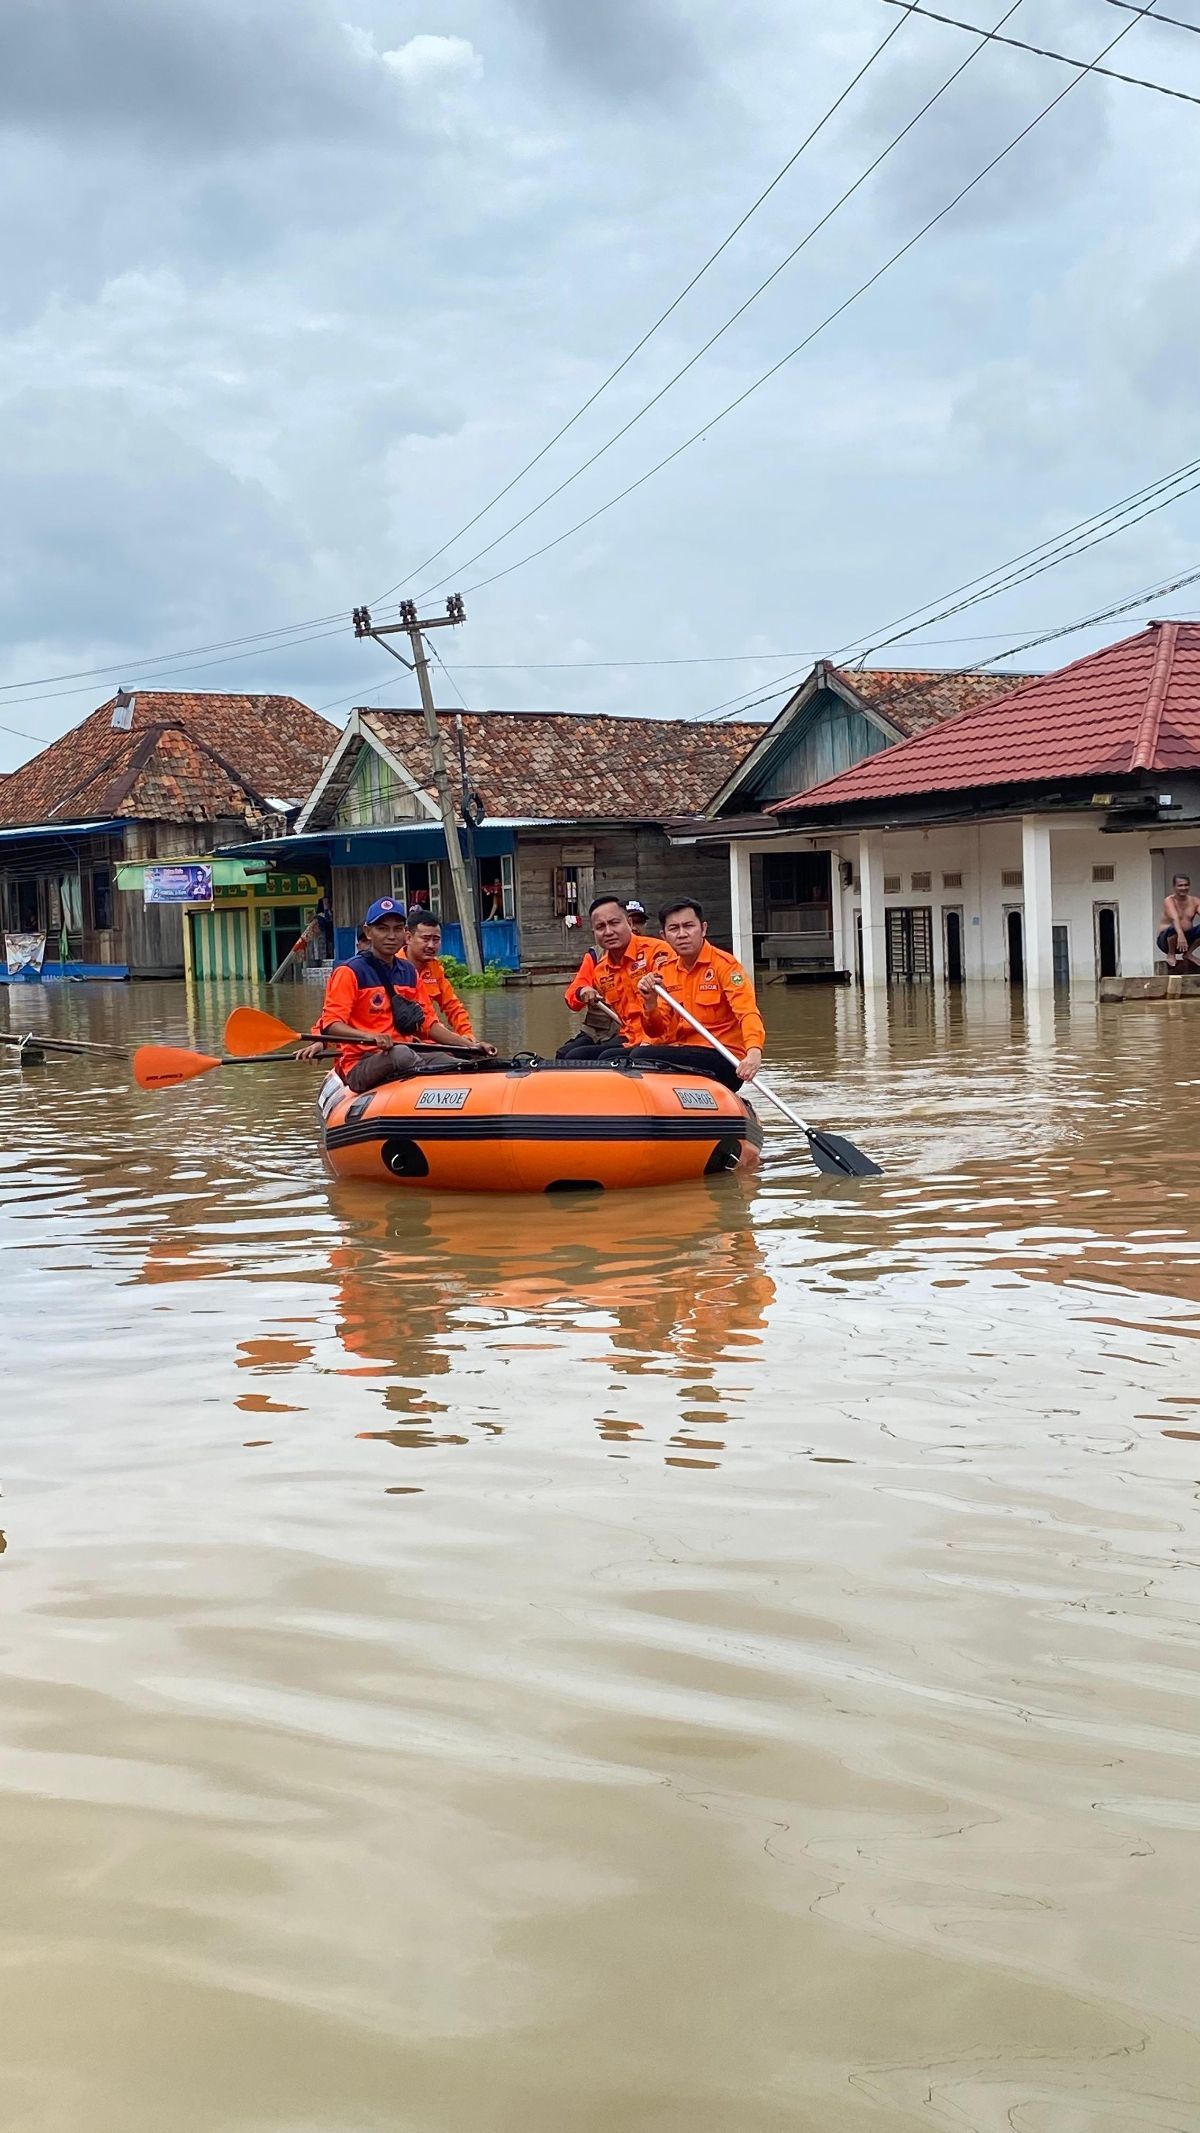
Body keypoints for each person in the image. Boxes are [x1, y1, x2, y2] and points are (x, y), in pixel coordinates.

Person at [313, 898, 474, 1092]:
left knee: (456, 1060)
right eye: (382, 928)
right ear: (368, 932)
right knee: (402, 1054)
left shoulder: (409, 972)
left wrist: (469, 1046)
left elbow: (427, 1024)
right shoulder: (349, 972)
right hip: (361, 1062)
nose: (391, 936)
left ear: (405, 934)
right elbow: (331, 1025)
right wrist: (370, 1036)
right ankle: (426, 1082)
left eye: (397, 929)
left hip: (405, 1052)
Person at [562, 894, 672, 1053]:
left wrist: (647, 1043)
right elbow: (572, 995)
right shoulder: (598, 964)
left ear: (629, 923)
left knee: (608, 1057)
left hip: (656, 1037)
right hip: (616, 1033)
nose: (608, 931)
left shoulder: (657, 952)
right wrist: (582, 991)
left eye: (615, 923)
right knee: (572, 1055)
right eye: (601, 927)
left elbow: (668, 1008)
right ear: (594, 931)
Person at [405, 910, 495, 1051]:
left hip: (434, 1041)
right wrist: (465, 1044)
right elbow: (425, 1021)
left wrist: (467, 1035)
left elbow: (452, 1006)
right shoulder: (395, 968)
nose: (431, 945)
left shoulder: (435, 967)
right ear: (408, 938)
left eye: (436, 940)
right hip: (407, 1044)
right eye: (425, 938)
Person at [1157, 874, 1200, 969]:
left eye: (1186, 885)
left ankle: (1188, 954)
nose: (1183, 888)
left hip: (1186, 941)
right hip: (1166, 941)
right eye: (1180, 885)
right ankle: (1171, 953)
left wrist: (1183, 936)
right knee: (1173, 928)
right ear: (1174, 887)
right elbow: (1175, 918)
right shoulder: (1169, 900)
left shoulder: (1195, 901)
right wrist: (1180, 934)